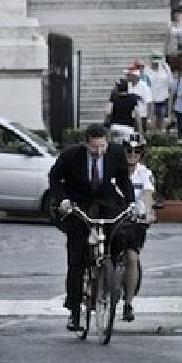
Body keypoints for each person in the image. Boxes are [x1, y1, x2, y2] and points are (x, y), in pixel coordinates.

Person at [49, 124, 135, 331]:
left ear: (107, 142)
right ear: (86, 144)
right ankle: (74, 312)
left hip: (106, 201)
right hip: (78, 202)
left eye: (102, 147)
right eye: (94, 148)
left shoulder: (115, 153)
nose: (98, 152)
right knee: (77, 258)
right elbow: (54, 178)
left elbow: (123, 179)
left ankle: (110, 274)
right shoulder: (71, 155)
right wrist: (63, 200)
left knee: (118, 231)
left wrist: (131, 202)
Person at [115, 133, 155, 321]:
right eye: (128, 150)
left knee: (132, 257)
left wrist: (147, 212)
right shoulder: (114, 171)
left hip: (134, 220)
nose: (132, 154)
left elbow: (147, 194)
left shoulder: (145, 173)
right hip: (114, 218)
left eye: (136, 151)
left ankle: (128, 303)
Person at [144, 51, 173, 132]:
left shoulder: (165, 68)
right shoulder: (146, 70)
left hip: (163, 99)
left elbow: (170, 82)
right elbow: (145, 85)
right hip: (151, 100)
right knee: (152, 124)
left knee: (162, 124)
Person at [126, 65, 153, 133]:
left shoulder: (144, 86)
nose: (127, 76)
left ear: (134, 76)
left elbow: (149, 103)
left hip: (142, 116)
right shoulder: (127, 85)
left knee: (140, 136)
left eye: (129, 75)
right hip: (130, 116)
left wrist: (149, 119)